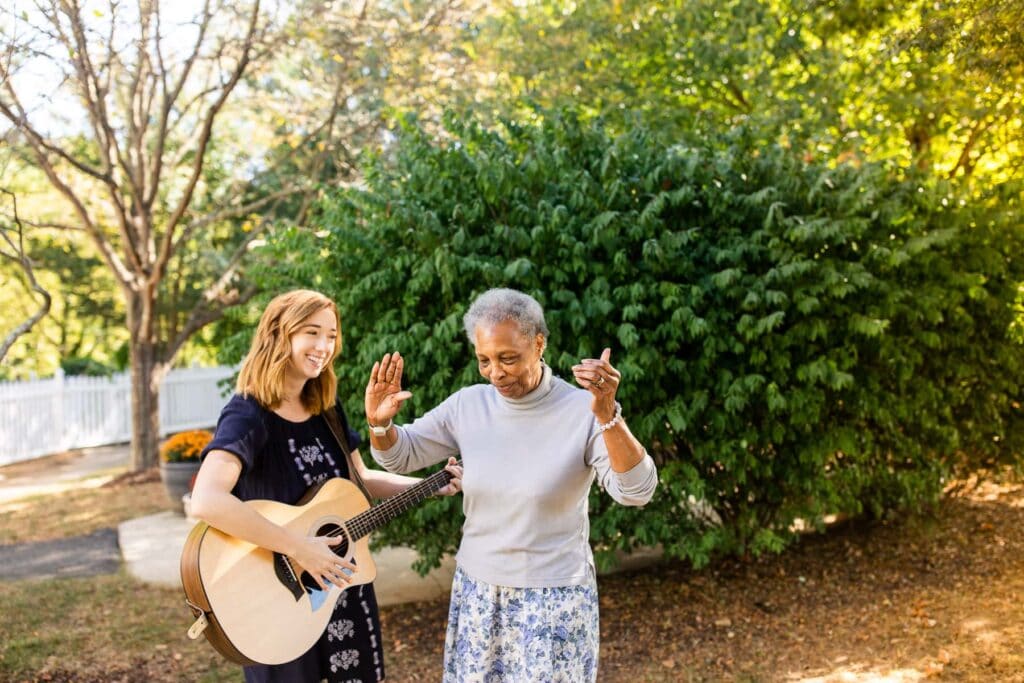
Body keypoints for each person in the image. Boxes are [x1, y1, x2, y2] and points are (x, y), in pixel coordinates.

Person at [364, 287, 658, 682]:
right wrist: (380, 425)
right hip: (478, 592)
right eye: (484, 360)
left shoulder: (580, 411)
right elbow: (399, 454)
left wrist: (608, 414)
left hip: (553, 598)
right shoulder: (469, 405)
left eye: (508, 358)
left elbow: (637, 490)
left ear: (539, 344)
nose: (495, 372)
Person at [189, 289, 462, 683]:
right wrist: (301, 548)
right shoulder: (247, 414)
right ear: (279, 335)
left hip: (343, 592)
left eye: (331, 336)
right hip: (280, 599)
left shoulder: (325, 409)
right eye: (312, 333)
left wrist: (431, 484)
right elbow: (207, 500)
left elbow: (362, 479)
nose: (324, 346)